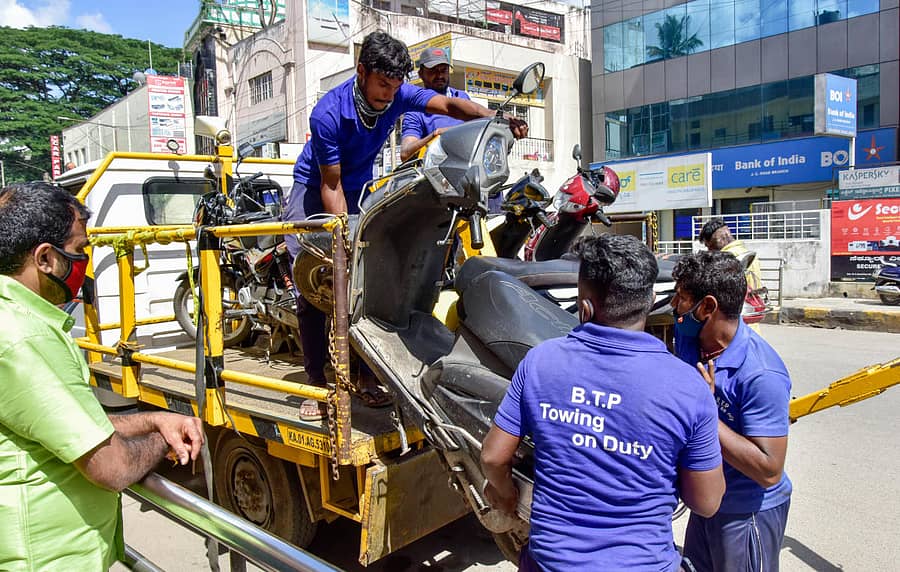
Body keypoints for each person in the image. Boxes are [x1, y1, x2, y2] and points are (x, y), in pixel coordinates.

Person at [284, 30, 527, 419]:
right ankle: (315, 384)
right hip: (315, 190)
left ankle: (362, 377)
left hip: (357, 185)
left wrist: (495, 117)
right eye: (382, 84)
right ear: (361, 72)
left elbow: (449, 105)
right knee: (319, 286)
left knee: (365, 284)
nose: (387, 94)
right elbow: (330, 185)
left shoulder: (399, 95)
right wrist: (343, 239)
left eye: (395, 86)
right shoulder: (328, 114)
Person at [481, 234, 725, 571]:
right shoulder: (689, 387)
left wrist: (506, 496)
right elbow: (708, 502)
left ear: (584, 307)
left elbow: (493, 457)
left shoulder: (540, 362)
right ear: (652, 299)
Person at [0, 182, 204, 569]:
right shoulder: (24, 337)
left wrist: (152, 417)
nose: (85, 263)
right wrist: (162, 440)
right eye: (79, 251)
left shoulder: (14, 318)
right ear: (46, 258)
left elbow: (70, 424)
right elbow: (112, 466)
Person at [671, 251, 792, 572]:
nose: (673, 306)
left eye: (681, 299)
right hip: (707, 501)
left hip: (747, 511)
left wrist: (706, 411)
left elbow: (769, 470)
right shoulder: (691, 341)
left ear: (707, 307)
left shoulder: (761, 374)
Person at [398, 47, 470, 162]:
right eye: (433, 71)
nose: (440, 76)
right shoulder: (414, 110)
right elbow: (405, 153)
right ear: (421, 74)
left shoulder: (462, 97)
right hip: (437, 174)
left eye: (443, 70)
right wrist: (435, 135)